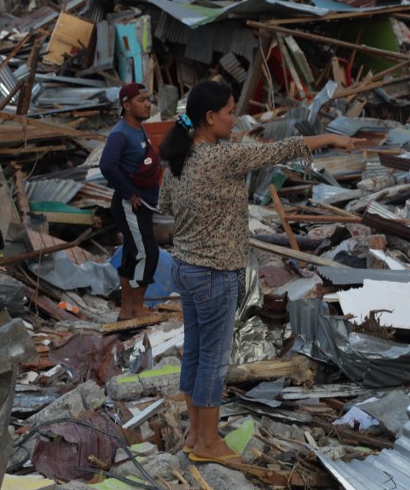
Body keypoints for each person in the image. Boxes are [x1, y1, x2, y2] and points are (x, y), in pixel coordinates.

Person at [158, 80, 362, 464]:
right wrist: (330, 140)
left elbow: (165, 203)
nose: (235, 119)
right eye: (231, 112)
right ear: (210, 117)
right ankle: (208, 444)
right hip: (214, 273)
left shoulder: (178, 160)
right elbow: (280, 149)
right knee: (215, 360)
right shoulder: (221, 158)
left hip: (185, 269)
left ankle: (194, 434)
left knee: (196, 352)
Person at [100, 83, 162, 320]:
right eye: (141, 100)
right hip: (130, 205)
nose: (147, 104)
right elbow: (107, 165)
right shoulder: (121, 133)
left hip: (141, 204)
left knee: (133, 252)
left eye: (148, 99)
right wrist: (129, 193)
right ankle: (136, 308)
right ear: (126, 105)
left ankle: (128, 310)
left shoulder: (138, 129)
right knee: (147, 254)